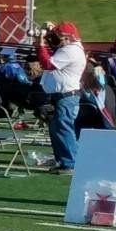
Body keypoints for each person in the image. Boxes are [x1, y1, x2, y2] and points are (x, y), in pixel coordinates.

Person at [36, 21, 87, 170]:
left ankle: (70, 163)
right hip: (62, 95)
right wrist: (49, 31)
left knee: (64, 129)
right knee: (58, 129)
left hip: (66, 96)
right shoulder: (69, 48)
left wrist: (41, 45)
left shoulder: (70, 50)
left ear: (67, 37)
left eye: (59, 36)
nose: (57, 39)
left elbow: (48, 64)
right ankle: (64, 160)